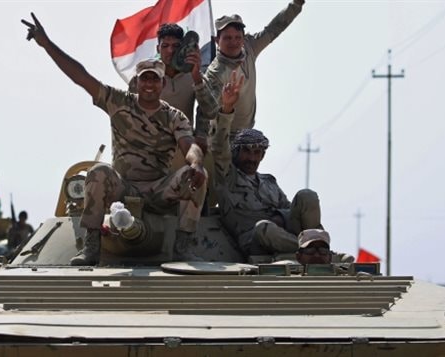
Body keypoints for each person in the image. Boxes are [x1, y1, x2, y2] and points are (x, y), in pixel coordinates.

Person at [22, 13, 207, 265]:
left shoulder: (173, 116)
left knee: (196, 174)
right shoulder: (118, 102)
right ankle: (91, 245)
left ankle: (184, 245)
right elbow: (81, 77)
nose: (150, 84)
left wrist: (195, 163)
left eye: (155, 79)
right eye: (145, 79)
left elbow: (190, 145)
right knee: (97, 172)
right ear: (138, 82)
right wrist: (47, 44)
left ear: (163, 83)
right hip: (123, 186)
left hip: (158, 189)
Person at [210, 71, 323, 257]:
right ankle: (311, 251)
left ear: (262, 155)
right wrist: (227, 108)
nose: (252, 158)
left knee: (307, 196)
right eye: (246, 152)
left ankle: (316, 245)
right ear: (237, 152)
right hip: (254, 239)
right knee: (264, 228)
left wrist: (280, 217)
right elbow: (220, 147)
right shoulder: (227, 178)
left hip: (283, 234)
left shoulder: (269, 183)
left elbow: (288, 209)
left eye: (257, 153)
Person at [203, 0, 306, 136]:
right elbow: (208, 112)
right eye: (227, 38)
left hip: (246, 133)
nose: (233, 42)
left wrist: (296, 5)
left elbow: (274, 28)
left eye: (237, 37)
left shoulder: (249, 47)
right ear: (217, 41)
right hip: (222, 136)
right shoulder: (215, 73)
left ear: (244, 38)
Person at [129, 23, 217, 139]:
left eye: (176, 46)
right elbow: (129, 114)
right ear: (158, 49)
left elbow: (210, 112)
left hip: (183, 143)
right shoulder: (143, 78)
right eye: (165, 46)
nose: (170, 50)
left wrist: (196, 76)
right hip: (150, 145)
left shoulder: (193, 76)